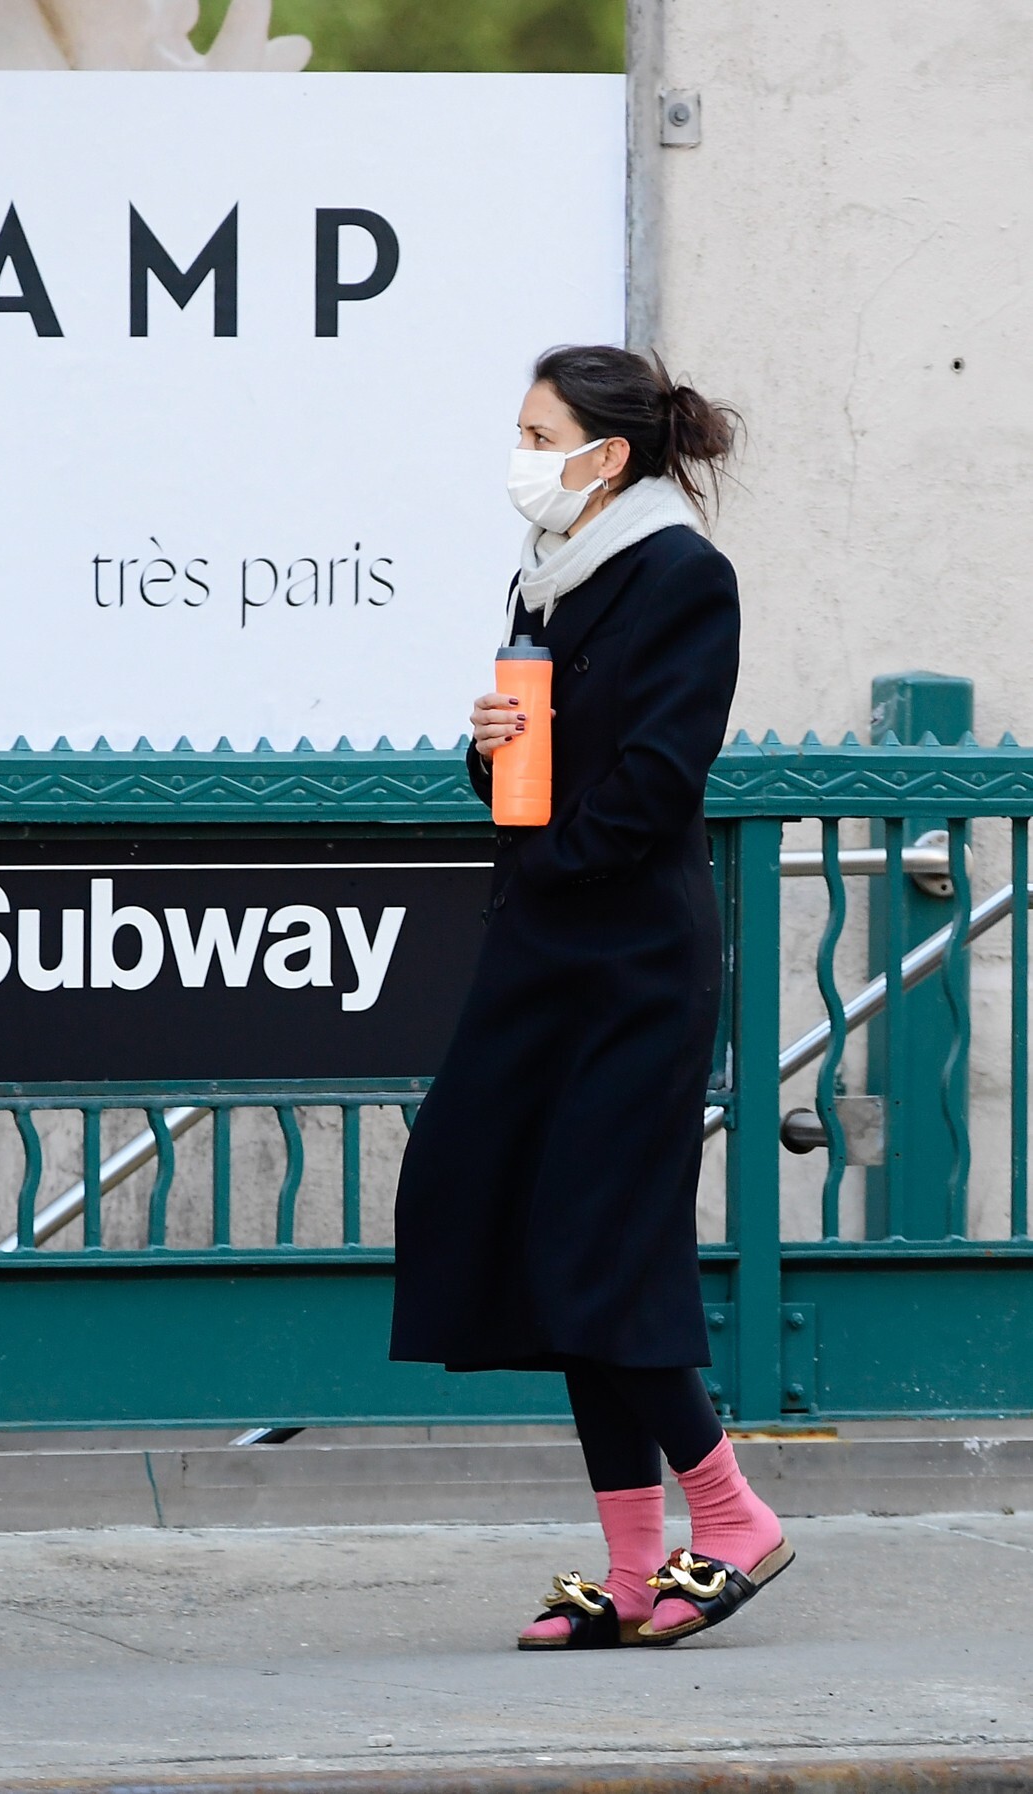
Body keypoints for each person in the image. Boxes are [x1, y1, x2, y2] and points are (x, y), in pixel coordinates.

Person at [389, 344, 793, 1649]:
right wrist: (491, 754)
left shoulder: (680, 574)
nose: (520, 456)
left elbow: (661, 776)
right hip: (544, 947)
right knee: (504, 1214)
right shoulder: (548, 575)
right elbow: (549, 764)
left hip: (631, 962)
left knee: (595, 1248)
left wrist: (552, 859)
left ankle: (730, 1515)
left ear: (607, 454)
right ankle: (631, 1569)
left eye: (538, 433)